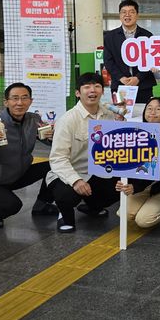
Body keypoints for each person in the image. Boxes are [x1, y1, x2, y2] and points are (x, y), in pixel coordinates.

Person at [0, 83, 58, 230]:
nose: (20, 103)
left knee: (55, 166)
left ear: (30, 101)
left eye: (24, 98)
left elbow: (46, 140)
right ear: (6, 102)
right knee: (14, 205)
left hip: (17, 174)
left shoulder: (33, 120)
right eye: (15, 98)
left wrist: (51, 137)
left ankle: (41, 204)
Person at [46, 73, 121, 233]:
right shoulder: (68, 120)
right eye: (87, 87)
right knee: (66, 195)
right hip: (69, 172)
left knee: (119, 189)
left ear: (102, 90)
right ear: (78, 93)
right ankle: (63, 214)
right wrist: (76, 181)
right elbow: (58, 159)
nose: (92, 90)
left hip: (98, 171)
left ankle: (92, 206)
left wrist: (122, 123)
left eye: (97, 86)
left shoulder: (108, 114)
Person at [115, 97, 160, 229]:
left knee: (143, 220)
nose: (152, 112)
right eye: (149, 108)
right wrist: (125, 183)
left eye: (158, 109)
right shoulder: (137, 131)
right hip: (142, 185)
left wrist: (135, 187)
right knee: (123, 214)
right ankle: (149, 203)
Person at [103, 0, 157, 103]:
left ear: (137, 15)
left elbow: (151, 60)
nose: (127, 15)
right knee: (120, 115)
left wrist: (138, 78)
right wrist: (121, 77)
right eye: (124, 12)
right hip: (119, 85)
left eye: (131, 12)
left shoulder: (147, 36)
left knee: (143, 115)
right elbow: (108, 61)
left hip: (143, 85)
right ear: (119, 15)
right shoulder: (110, 37)